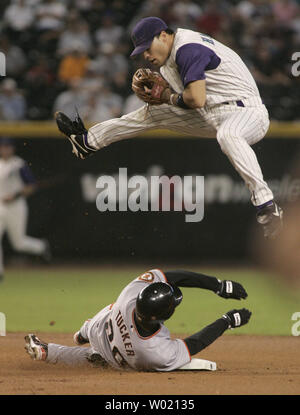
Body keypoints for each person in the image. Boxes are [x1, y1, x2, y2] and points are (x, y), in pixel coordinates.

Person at [54, 16, 283, 239]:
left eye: (147, 47)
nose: (145, 55)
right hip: (214, 113)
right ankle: (87, 142)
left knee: (228, 135)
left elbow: (196, 98)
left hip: (247, 112)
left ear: (163, 36)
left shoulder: (187, 48)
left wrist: (167, 96)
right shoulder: (167, 66)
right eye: (141, 51)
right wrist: (166, 97)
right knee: (153, 113)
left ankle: (267, 204)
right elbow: (191, 101)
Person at [24, 268, 251, 371]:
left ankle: (76, 336)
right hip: (121, 359)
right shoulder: (154, 352)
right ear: (163, 316)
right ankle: (68, 345)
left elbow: (170, 276)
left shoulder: (131, 295)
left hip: (100, 327)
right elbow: (193, 344)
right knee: (93, 357)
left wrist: (219, 288)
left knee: (108, 316)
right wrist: (227, 319)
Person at [0, 138, 51, 282]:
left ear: (12, 149)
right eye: (3, 147)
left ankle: (41, 247)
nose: (5, 150)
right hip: (1, 207)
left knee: (19, 243)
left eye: (7, 147)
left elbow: (32, 186)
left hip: (16, 206)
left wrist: (15, 196)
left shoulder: (18, 165)